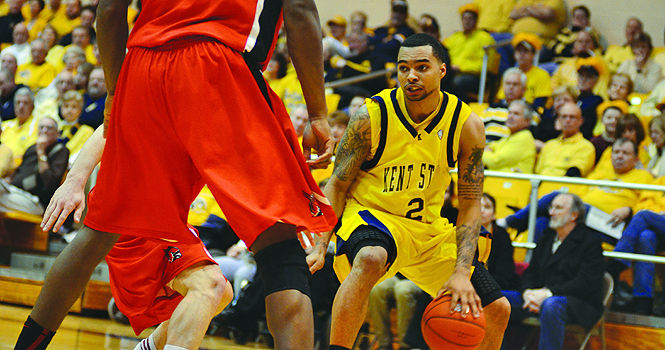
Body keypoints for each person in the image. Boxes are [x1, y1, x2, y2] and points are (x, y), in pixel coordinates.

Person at [14, 1, 338, 350]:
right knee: (280, 251)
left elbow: (108, 9)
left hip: (142, 65)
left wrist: (114, 90)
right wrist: (318, 114)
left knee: (96, 234)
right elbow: (301, 10)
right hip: (218, 62)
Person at [308, 33, 510, 350]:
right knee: (372, 257)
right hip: (373, 217)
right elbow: (338, 182)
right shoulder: (370, 116)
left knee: (498, 309)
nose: (411, 75)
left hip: (427, 231)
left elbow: (470, 204)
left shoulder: (466, 124)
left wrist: (460, 272)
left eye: (421, 66)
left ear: (442, 70)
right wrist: (321, 242)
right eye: (403, 68)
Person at [502, 193, 605, 350]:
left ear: (574, 215)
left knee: (551, 305)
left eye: (558, 208)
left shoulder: (590, 241)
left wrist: (548, 294)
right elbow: (531, 272)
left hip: (578, 303)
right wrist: (527, 293)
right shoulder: (547, 236)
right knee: (499, 299)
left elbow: (586, 283)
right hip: (538, 298)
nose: (551, 212)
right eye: (551, 207)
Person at [0, 116, 68, 215]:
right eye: (41, 127)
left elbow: (50, 184)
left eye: (49, 128)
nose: (44, 130)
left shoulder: (61, 151)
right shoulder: (31, 149)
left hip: (36, 202)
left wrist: (41, 152)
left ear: (57, 134)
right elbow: (18, 172)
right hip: (14, 192)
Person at [444, 3, 495, 103]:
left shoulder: (484, 38)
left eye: (470, 18)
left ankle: (460, 106)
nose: (467, 21)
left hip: (474, 77)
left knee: (456, 82)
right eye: (465, 18)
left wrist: (461, 67)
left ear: (476, 20)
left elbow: (486, 65)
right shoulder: (455, 37)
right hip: (451, 72)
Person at [534, 102, 595, 177]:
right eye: (564, 117)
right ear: (558, 120)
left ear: (580, 121)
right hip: (541, 185)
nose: (568, 120)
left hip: (564, 187)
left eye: (572, 117)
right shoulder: (549, 145)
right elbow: (538, 172)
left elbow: (574, 174)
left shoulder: (586, 147)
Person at [483, 99, 536, 173]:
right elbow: (490, 147)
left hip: (514, 183)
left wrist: (483, 152)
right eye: (510, 113)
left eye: (516, 114)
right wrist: (487, 151)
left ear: (526, 121)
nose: (511, 116)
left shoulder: (524, 137)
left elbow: (495, 162)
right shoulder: (508, 137)